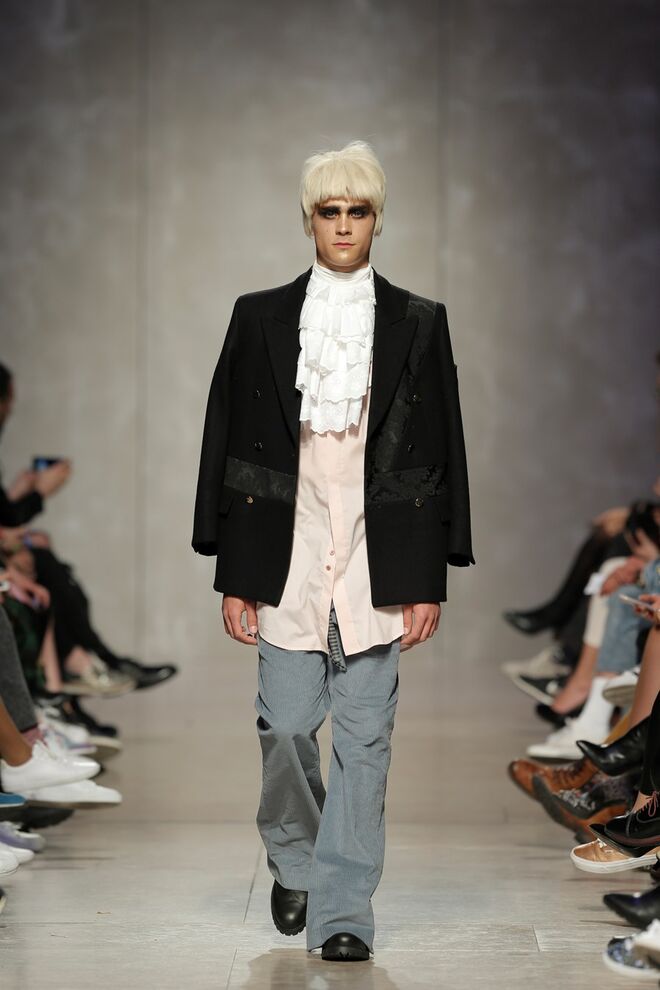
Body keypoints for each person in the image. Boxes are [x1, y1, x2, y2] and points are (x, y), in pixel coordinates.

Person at [192, 140, 475, 962]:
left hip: (379, 558)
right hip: (285, 555)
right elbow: (227, 439)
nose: (344, 225)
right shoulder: (260, 316)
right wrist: (232, 572)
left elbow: (443, 447)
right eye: (329, 210)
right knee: (285, 730)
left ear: (377, 219)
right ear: (308, 219)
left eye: (358, 211)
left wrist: (431, 577)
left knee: (364, 747)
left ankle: (344, 912)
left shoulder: (420, 321)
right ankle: (297, 859)